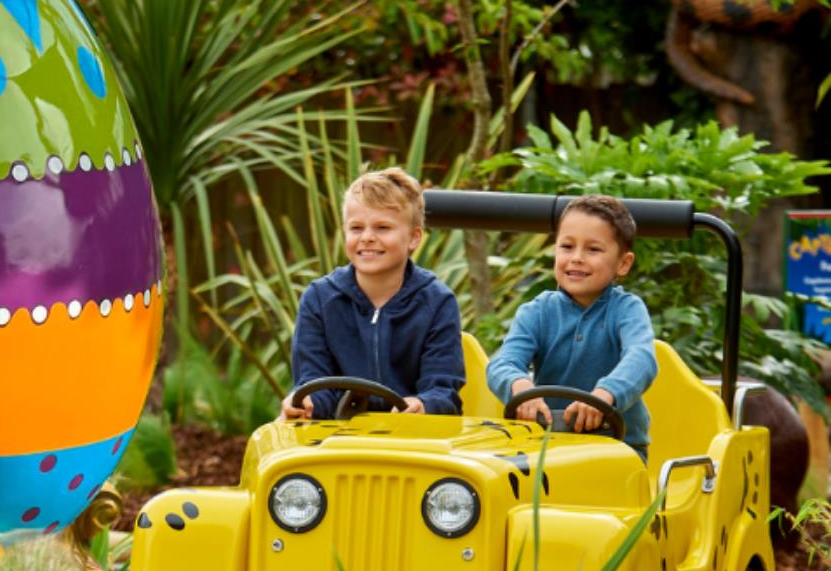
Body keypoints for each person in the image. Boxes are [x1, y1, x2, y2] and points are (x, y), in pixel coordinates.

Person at [279, 168, 465, 420]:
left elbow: (442, 391)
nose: (367, 237)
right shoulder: (320, 299)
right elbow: (315, 382)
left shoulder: (437, 302)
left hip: (411, 439)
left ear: (413, 237)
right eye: (356, 228)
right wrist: (307, 400)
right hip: (338, 438)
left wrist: (423, 403)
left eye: (382, 227)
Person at [486, 195, 657, 461]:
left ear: (623, 263)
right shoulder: (537, 311)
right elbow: (502, 363)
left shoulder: (627, 310)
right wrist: (520, 387)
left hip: (616, 450)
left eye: (593, 250)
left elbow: (642, 359)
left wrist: (604, 396)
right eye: (567, 246)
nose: (577, 258)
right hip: (545, 449)